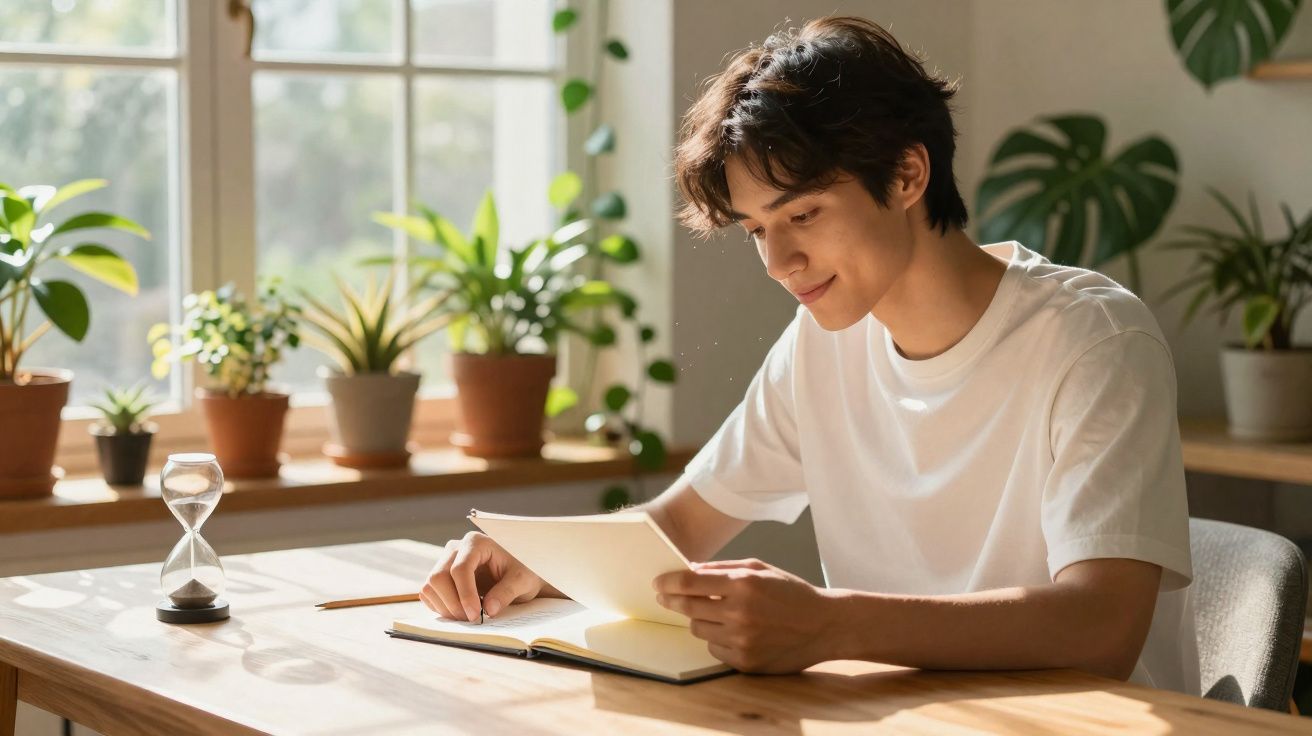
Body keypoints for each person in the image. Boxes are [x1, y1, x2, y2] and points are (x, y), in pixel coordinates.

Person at [418, 15, 1198, 695]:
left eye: (804, 213)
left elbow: (1102, 627)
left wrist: (835, 624)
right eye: (758, 228)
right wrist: (536, 560)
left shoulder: (1093, 340)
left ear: (907, 174)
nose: (777, 262)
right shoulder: (824, 344)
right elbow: (680, 525)